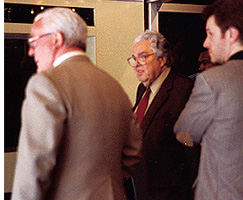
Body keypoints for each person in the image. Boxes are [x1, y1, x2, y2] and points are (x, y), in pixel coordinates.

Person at [11, 7, 143, 200]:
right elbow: (134, 151)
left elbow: (35, 163)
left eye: (34, 41)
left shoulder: (46, 83)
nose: (31, 51)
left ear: (56, 39)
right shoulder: (113, 85)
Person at [174, 0, 243, 199]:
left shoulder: (211, 81)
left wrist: (208, 136)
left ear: (231, 35)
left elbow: (184, 130)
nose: (205, 42)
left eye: (210, 33)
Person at [127, 30, 196, 200]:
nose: (136, 64)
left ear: (162, 59)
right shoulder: (142, 90)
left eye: (143, 57)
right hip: (140, 190)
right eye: (134, 59)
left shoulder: (185, 90)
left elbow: (194, 157)